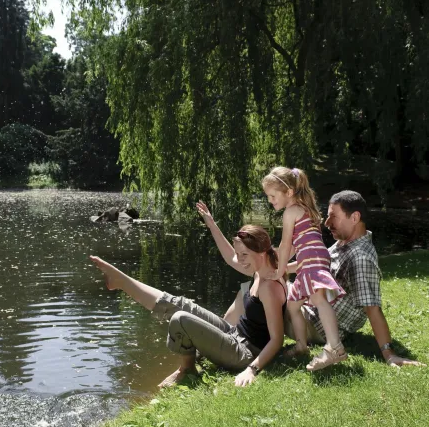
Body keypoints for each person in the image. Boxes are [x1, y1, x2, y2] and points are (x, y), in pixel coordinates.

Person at [89, 201, 287, 388]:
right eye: (239, 254)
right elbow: (229, 256)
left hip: (245, 353)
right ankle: (123, 282)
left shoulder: (269, 286)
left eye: (244, 255)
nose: (240, 260)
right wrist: (211, 224)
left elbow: (277, 339)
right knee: (181, 304)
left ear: (261, 252)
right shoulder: (260, 266)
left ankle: (187, 368)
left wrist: (251, 370)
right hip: (235, 335)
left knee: (181, 319)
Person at [284, 189, 425, 368]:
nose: (326, 223)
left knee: (267, 294)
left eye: (333, 216)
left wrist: (389, 354)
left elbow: (373, 309)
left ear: (354, 218)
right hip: (311, 309)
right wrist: (281, 269)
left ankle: (247, 347)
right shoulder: (345, 242)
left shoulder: (360, 258)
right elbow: (315, 263)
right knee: (267, 283)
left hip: (317, 324)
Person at [262, 166, 347, 371]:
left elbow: (284, 246)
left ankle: (335, 348)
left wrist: (280, 269)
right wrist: (284, 267)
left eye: (273, 196)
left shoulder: (291, 212)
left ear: (288, 192)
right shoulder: (304, 209)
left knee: (318, 299)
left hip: (313, 261)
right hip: (313, 259)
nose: (270, 200)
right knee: (293, 306)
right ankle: (302, 346)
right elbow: (296, 246)